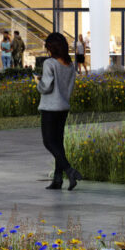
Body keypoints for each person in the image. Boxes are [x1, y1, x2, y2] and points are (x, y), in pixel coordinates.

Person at [36, 31, 80, 191]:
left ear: (52, 47)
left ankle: (69, 170)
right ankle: (57, 179)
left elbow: (46, 87)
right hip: (63, 108)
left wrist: (38, 83)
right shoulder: (69, 65)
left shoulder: (50, 63)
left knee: (48, 142)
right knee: (58, 143)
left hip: (50, 108)